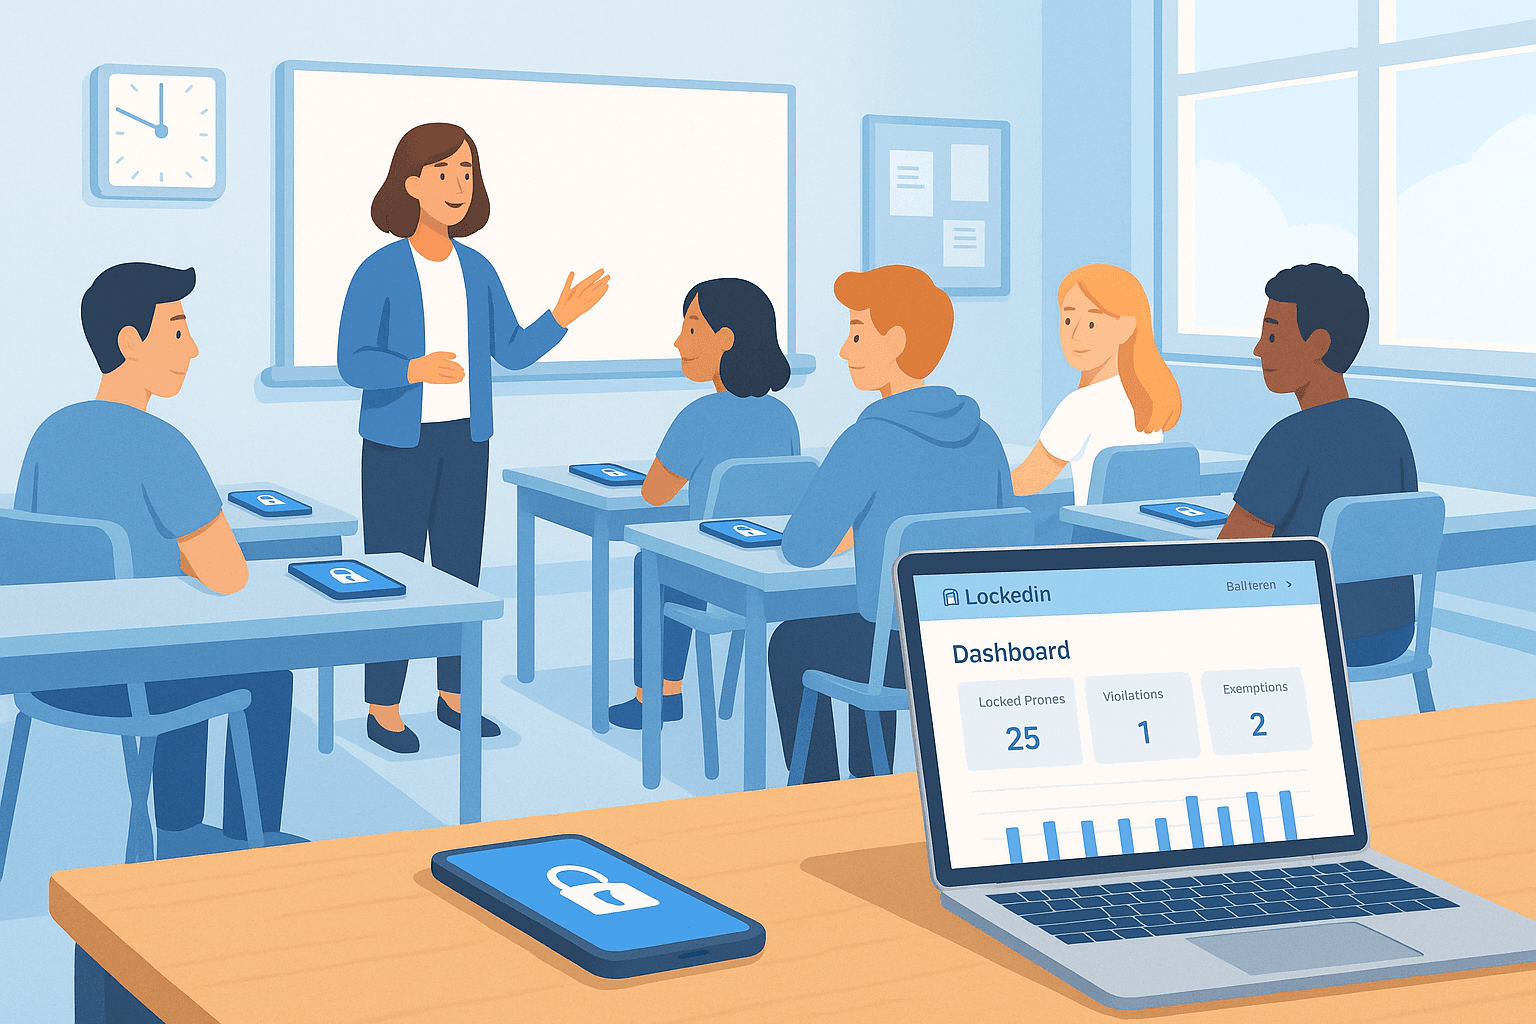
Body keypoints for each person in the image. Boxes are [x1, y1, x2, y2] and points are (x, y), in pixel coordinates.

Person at [338, 122, 610, 753]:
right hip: (396, 445)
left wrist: (560, 317)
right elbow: (353, 361)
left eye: (466, 172)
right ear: (409, 184)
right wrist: (411, 370)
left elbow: (511, 352)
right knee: (393, 574)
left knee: (460, 571)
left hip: (466, 439)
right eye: (443, 173)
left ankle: (454, 695)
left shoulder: (478, 269)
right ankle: (384, 703)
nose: (458, 186)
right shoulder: (379, 270)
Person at [15, 263, 301, 857]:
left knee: (183, 641)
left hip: (51, 672)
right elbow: (229, 575)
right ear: (129, 343)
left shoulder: (50, 433)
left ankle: (178, 826)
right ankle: (248, 835)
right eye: (176, 331)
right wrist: (185, 554)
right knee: (262, 665)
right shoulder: (162, 444)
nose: (192, 349)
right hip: (133, 681)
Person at [770, 265, 1013, 783]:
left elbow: (802, 549)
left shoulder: (868, 439)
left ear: (896, 341)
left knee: (793, 642)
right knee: (871, 626)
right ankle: (871, 778)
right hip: (967, 647)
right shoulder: (986, 437)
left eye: (857, 332)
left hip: (894, 652)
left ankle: (821, 796)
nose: (844, 350)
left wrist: (848, 531)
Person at [611, 279, 801, 730]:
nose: (679, 340)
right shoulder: (783, 415)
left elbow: (655, 493)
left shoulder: (699, 414)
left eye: (692, 329)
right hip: (769, 563)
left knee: (650, 564)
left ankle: (658, 695)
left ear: (726, 339)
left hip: (718, 572)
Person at [1220, 263, 1419, 666]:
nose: (1259, 348)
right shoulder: (1389, 429)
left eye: (1272, 334)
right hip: (1393, 634)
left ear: (1318, 344)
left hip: (1310, 636)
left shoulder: (1289, 439)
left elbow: (1230, 556)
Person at [1012, 264, 1182, 502]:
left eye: (1092, 323)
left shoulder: (1081, 405)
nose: (1075, 335)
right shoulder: (1147, 398)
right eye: (1069, 319)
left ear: (1126, 327)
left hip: (1090, 532)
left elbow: (1025, 483)